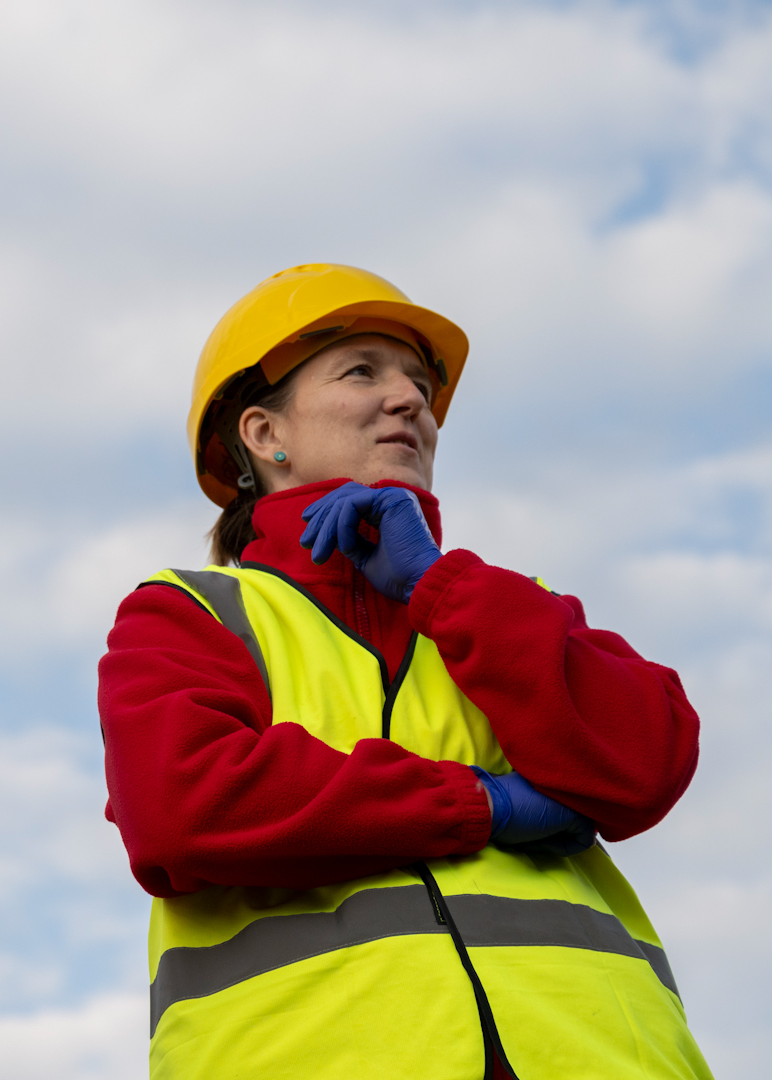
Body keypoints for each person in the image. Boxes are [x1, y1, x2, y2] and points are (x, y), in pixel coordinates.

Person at [98, 263, 710, 1079]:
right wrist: (479, 803)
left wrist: (435, 584)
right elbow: (184, 804)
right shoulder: (190, 612)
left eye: (420, 383)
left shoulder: (508, 606)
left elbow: (649, 761)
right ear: (262, 435)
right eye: (363, 372)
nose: (410, 401)